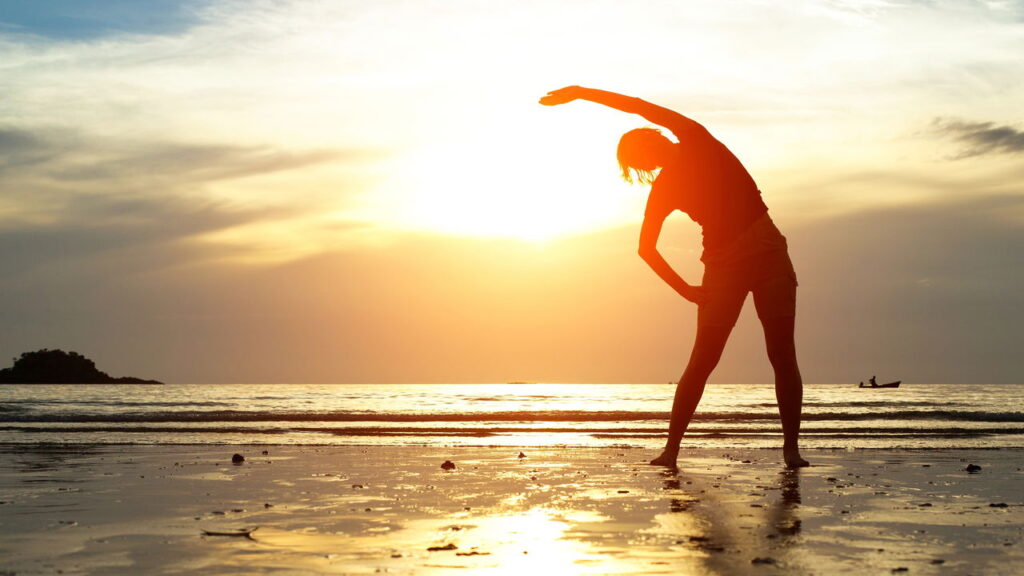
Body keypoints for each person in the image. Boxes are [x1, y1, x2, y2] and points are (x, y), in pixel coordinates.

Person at [540, 86, 809, 468]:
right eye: (642, 160)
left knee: (782, 355)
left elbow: (638, 106)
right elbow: (645, 247)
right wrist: (686, 290)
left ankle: (791, 450)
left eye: (646, 151)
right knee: (703, 359)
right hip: (723, 265)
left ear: (657, 137)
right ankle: (671, 450)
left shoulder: (695, 138)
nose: (650, 161)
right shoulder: (664, 186)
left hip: (768, 254)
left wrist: (581, 93)